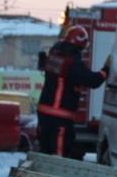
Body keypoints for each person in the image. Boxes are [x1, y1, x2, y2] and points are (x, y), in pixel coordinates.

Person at [37, 25, 109, 158]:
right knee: (59, 155)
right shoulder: (70, 62)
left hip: (45, 112)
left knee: (45, 150)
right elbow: (93, 81)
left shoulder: (55, 54)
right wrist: (106, 70)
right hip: (59, 116)